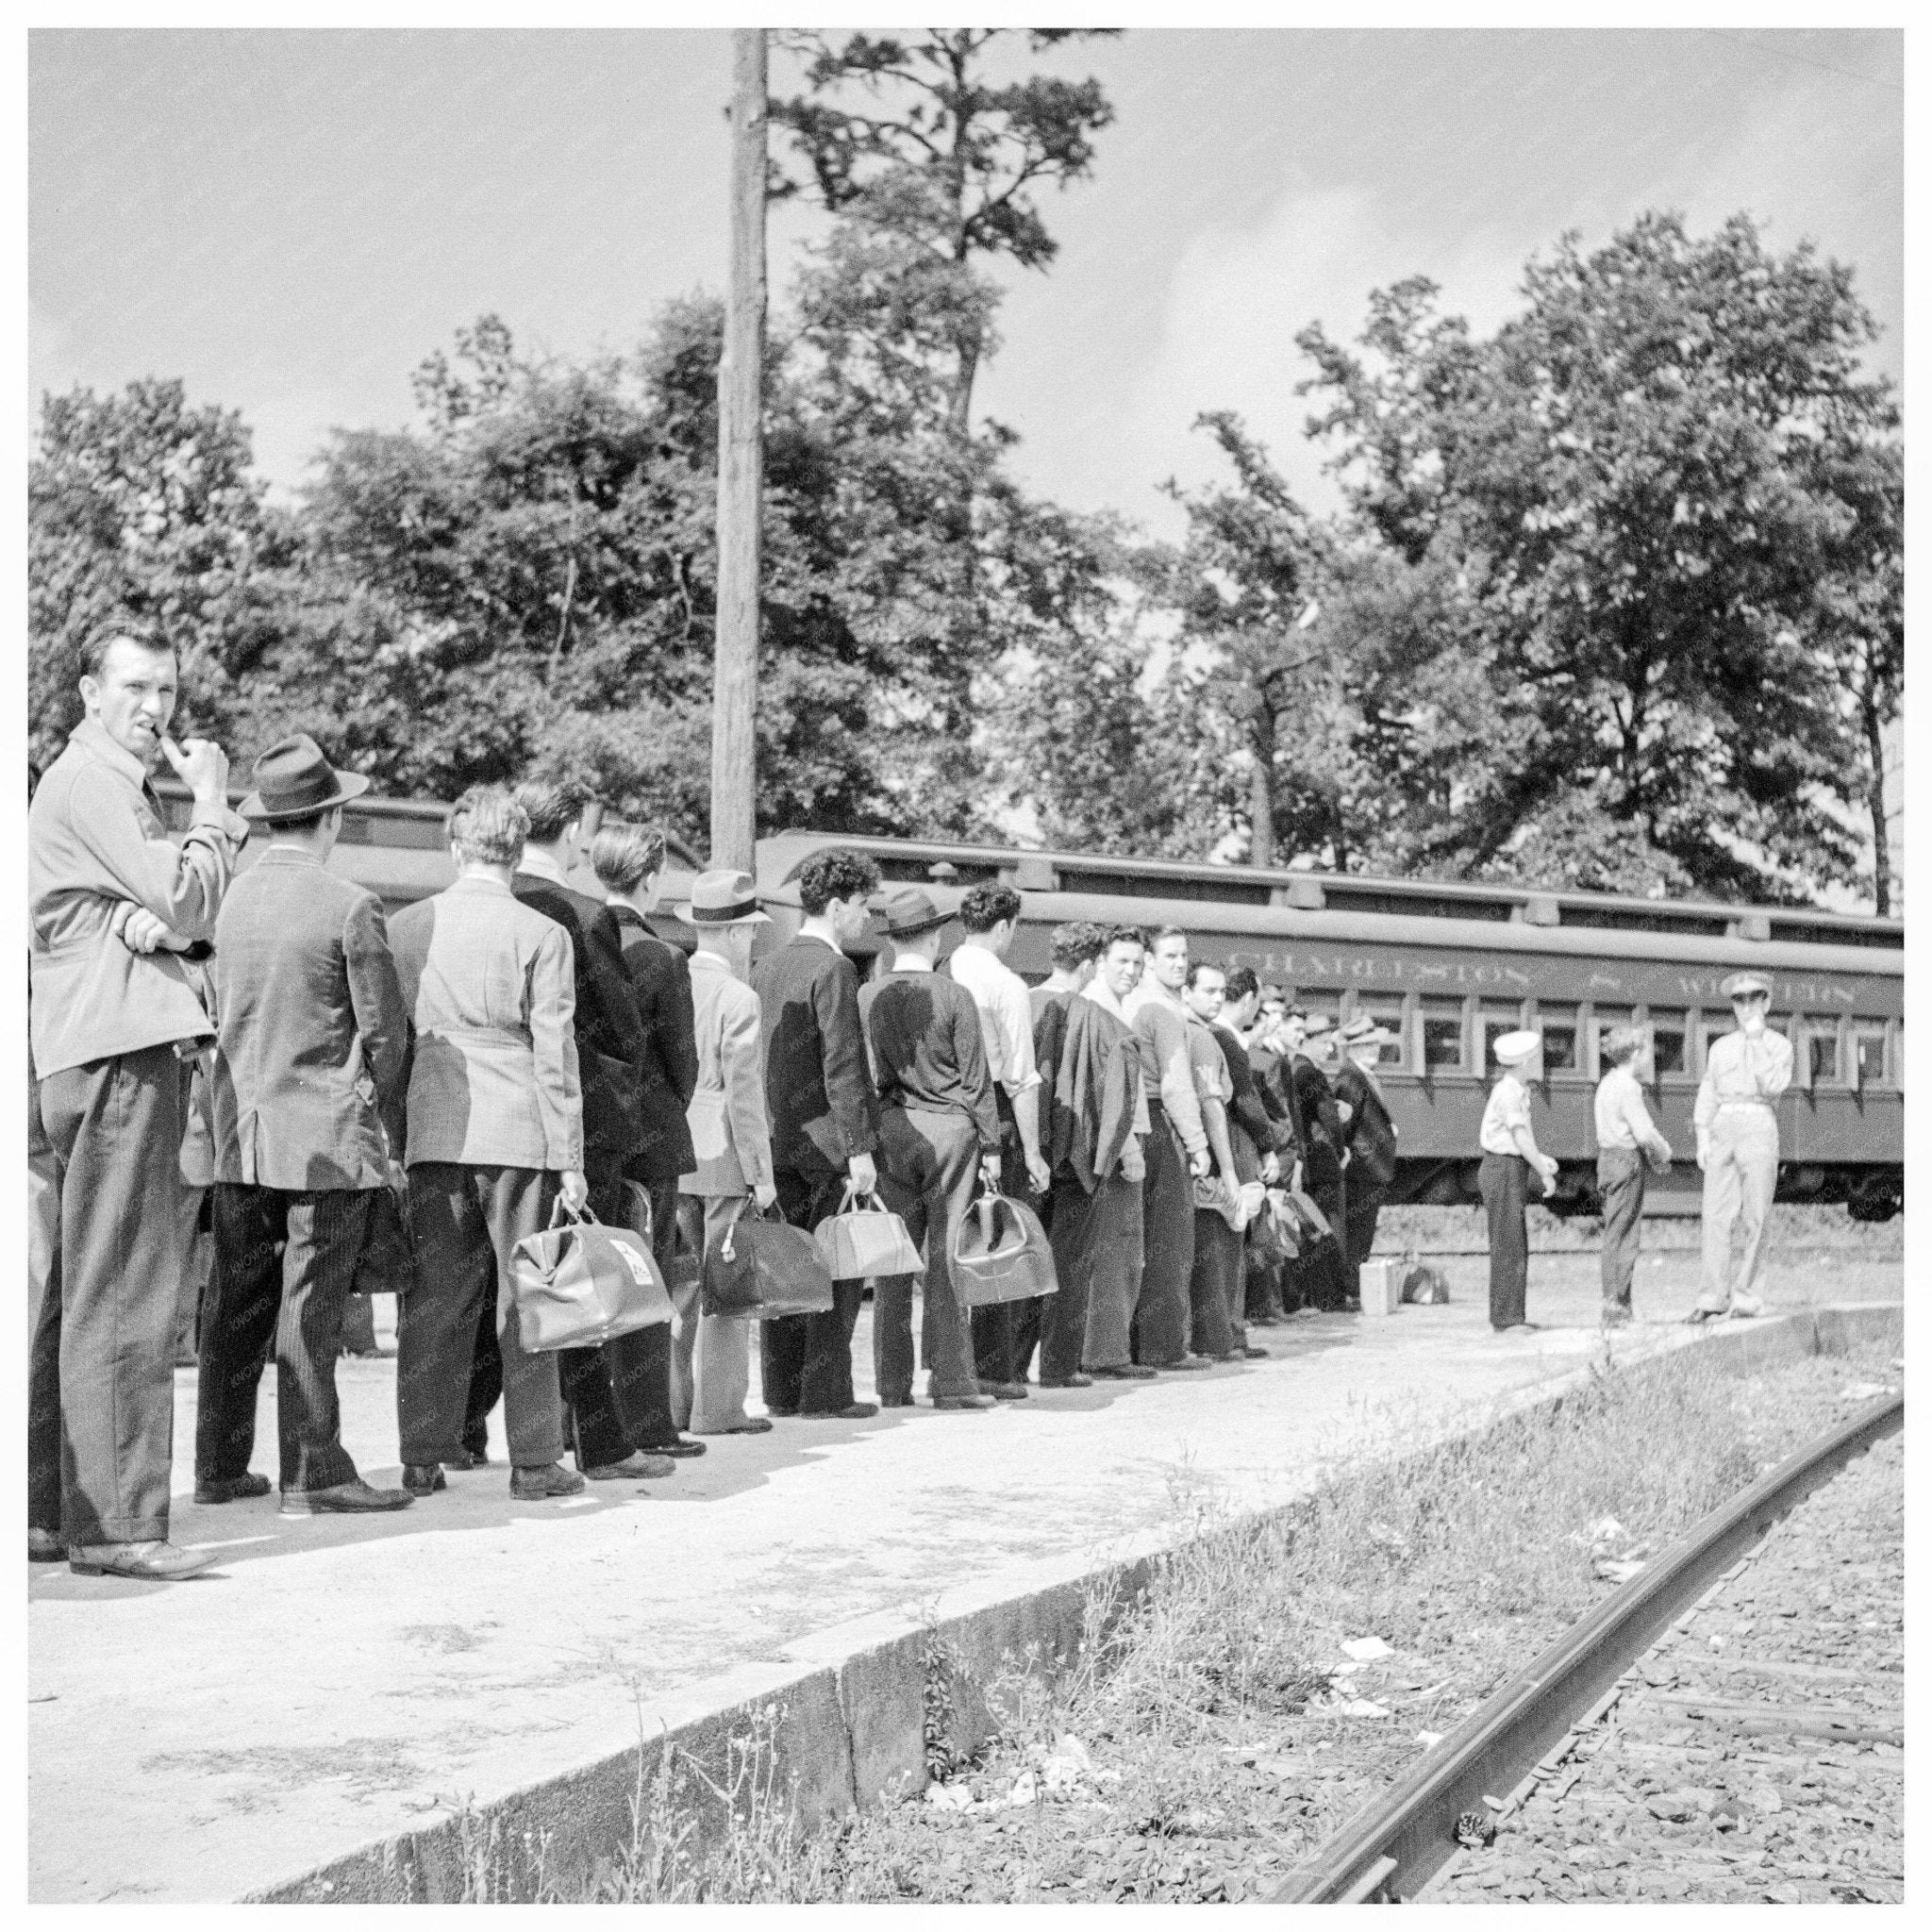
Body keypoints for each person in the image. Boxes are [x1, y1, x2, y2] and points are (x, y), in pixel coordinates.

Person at [28, 616, 248, 1579]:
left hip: (87, 1047)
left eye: (166, 689)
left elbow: (169, 916)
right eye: (135, 688)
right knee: (126, 1289)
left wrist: (160, 921)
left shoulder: (86, 782)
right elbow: (191, 901)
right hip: (121, 1049)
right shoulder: (99, 782)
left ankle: (51, 1509)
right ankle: (117, 1526)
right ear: (89, 693)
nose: (156, 708)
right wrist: (213, 803)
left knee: (84, 1287)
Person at [193, 734, 415, 1516]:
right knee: (310, 1306)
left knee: (235, 1304)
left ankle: (219, 1467)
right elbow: (386, 1035)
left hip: (236, 1134)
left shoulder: (225, 900)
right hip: (324, 1140)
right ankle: (314, 1472)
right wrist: (387, 1123)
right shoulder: (349, 905)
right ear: (331, 818)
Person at [388, 786, 591, 1501]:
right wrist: (570, 1158)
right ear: (518, 851)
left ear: (456, 848)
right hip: (520, 1132)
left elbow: (389, 1040)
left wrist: (397, 1134)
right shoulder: (543, 933)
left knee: (435, 1297)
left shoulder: (407, 926)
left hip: (434, 1128)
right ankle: (534, 1461)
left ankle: (421, 1455)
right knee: (525, 1295)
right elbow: (555, 1055)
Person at [511, 780, 685, 1480]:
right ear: (571, 833)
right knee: (583, 1287)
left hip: (490, 1125)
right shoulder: (585, 917)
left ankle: (451, 1442)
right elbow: (621, 1037)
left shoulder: (487, 901)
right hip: (578, 1129)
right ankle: (602, 1445)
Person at [752, 846, 883, 1420]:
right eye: (861, 905)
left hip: (775, 1142)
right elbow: (843, 1066)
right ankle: (826, 1394)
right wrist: (860, 1149)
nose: (866, 917)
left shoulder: (766, 966)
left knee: (785, 1269)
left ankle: (782, 1392)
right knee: (836, 1269)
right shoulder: (835, 969)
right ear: (834, 905)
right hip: (827, 1147)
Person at [860, 889, 1002, 1411]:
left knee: (893, 1258)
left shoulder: (867, 995)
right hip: (951, 1133)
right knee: (947, 1256)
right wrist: (992, 1143)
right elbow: (976, 1078)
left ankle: (891, 1384)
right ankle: (951, 1381)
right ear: (935, 936)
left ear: (892, 940)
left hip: (891, 1129)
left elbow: (863, 1073)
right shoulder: (955, 995)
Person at [591, 822, 707, 1450]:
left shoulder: (580, 940)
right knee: (649, 1277)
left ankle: (584, 1423)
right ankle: (647, 1425)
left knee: (591, 1276)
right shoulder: (661, 956)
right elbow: (683, 1061)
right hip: (651, 1137)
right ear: (652, 877)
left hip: (589, 1136)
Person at [675, 869, 779, 1434]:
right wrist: (761, 1173)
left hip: (674, 1151)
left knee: (679, 1286)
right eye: (752, 930)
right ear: (737, 933)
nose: (753, 939)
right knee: (727, 1286)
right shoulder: (738, 997)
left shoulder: (672, 979)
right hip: (721, 1157)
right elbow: (744, 1095)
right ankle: (718, 1410)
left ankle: (671, 1406)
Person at [948, 883, 1054, 1400]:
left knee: (949, 1245)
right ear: (1005, 926)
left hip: (941, 1116)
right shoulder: (1005, 984)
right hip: (993, 1117)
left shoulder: (943, 969)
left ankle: (947, 1364)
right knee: (997, 1243)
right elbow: (1020, 1077)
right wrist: (1032, 1152)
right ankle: (995, 1367)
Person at [1022, 921, 1111, 1388]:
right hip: (1076, 1157)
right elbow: (1109, 1092)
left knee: (1020, 1256)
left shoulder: (1021, 1001)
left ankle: (1008, 1364)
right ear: (1090, 964)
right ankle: (1058, 1366)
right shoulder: (1094, 1015)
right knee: (1070, 1263)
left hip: (1024, 1151)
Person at [1123, 926, 1215, 1370]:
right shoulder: (1163, 1010)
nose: (1180, 964)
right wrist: (1198, 1144)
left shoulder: (1130, 1001)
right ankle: (1165, 1346)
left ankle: (1131, 1344)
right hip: (1160, 1122)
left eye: (1184, 956)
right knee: (1170, 1242)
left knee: (1135, 1240)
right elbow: (1177, 1085)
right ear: (1150, 960)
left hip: (1131, 1124)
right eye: (1170, 956)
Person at [1690, 972, 1792, 1324]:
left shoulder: (1779, 1045)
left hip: (1758, 1122)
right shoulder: (1721, 1047)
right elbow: (1709, 1089)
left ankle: (1747, 1297)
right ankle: (1712, 1297)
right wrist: (1702, 1135)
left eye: (1753, 999)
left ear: (1766, 1003)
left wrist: (1757, 1040)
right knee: (1715, 1215)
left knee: (1756, 1215)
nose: (1746, 1006)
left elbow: (1773, 1085)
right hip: (1724, 1124)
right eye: (1739, 1000)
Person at [1077, 926, 1156, 1381]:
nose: (1131, 970)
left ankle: (1101, 1349)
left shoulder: (1111, 1006)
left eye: (1138, 963)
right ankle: (1105, 1353)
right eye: (1122, 961)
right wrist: (1128, 1146)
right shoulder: (1103, 1010)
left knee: (1113, 1249)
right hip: (1115, 1144)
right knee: (1117, 1249)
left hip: (1110, 1141)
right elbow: (1106, 1090)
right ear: (1102, 962)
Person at [1179, 961, 1252, 1362]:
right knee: (1215, 1249)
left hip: (1187, 1152)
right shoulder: (1203, 1039)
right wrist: (1229, 1171)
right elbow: (1213, 1109)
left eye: (1222, 991)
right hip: (1206, 1154)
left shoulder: (1187, 1031)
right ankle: (1213, 1339)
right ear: (1186, 992)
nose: (1218, 999)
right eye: (1209, 991)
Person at [1593, 1024, 1673, 1328]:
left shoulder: (1607, 1083)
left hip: (1608, 1159)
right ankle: (1616, 1307)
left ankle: (1616, 1304)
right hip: (1626, 1161)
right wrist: (1663, 1151)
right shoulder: (1628, 1087)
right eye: (1647, 1051)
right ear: (1636, 1053)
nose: (1650, 1057)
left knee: (1614, 1231)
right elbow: (1644, 1133)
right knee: (1625, 1236)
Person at [1479, 1028, 1557, 1333]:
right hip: (1503, 1169)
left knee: (1514, 1243)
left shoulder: (1515, 1090)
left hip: (1508, 1167)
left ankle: (1513, 1316)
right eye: (1535, 1059)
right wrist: (1544, 1171)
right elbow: (1520, 1138)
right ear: (1524, 1062)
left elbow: (1520, 1140)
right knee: (1508, 1245)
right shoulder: (1509, 1092)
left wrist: (1540, 1159)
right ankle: (1506, 1319)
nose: (1538, 1064)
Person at [1285, 1012, 1352, 1311]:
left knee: (1309, 1228)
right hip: (1322, 1162)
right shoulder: (1310, 1073)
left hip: (1306, 1161)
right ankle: (1332, 1297)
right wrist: (1340, 1149)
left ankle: (1314, 1295)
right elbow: (1329, 1119)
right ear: (1308, 1040)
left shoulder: (1293, 1069)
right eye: (1325, 1042)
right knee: (1329, 1229)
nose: (1329, 1049)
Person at [1332, 1014, 1400, 1301]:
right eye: (1367, 1044)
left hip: (1369, 1169)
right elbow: (1343, 1127)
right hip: (1360, 1170)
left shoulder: (1362, 1076)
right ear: (1353, 1049)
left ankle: (1354, 1288)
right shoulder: (1350, 1079)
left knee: (1363, 1231)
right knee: (1357, 1231)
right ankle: (1350, 1289)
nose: (1375, 1049)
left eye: (1376, 1044)